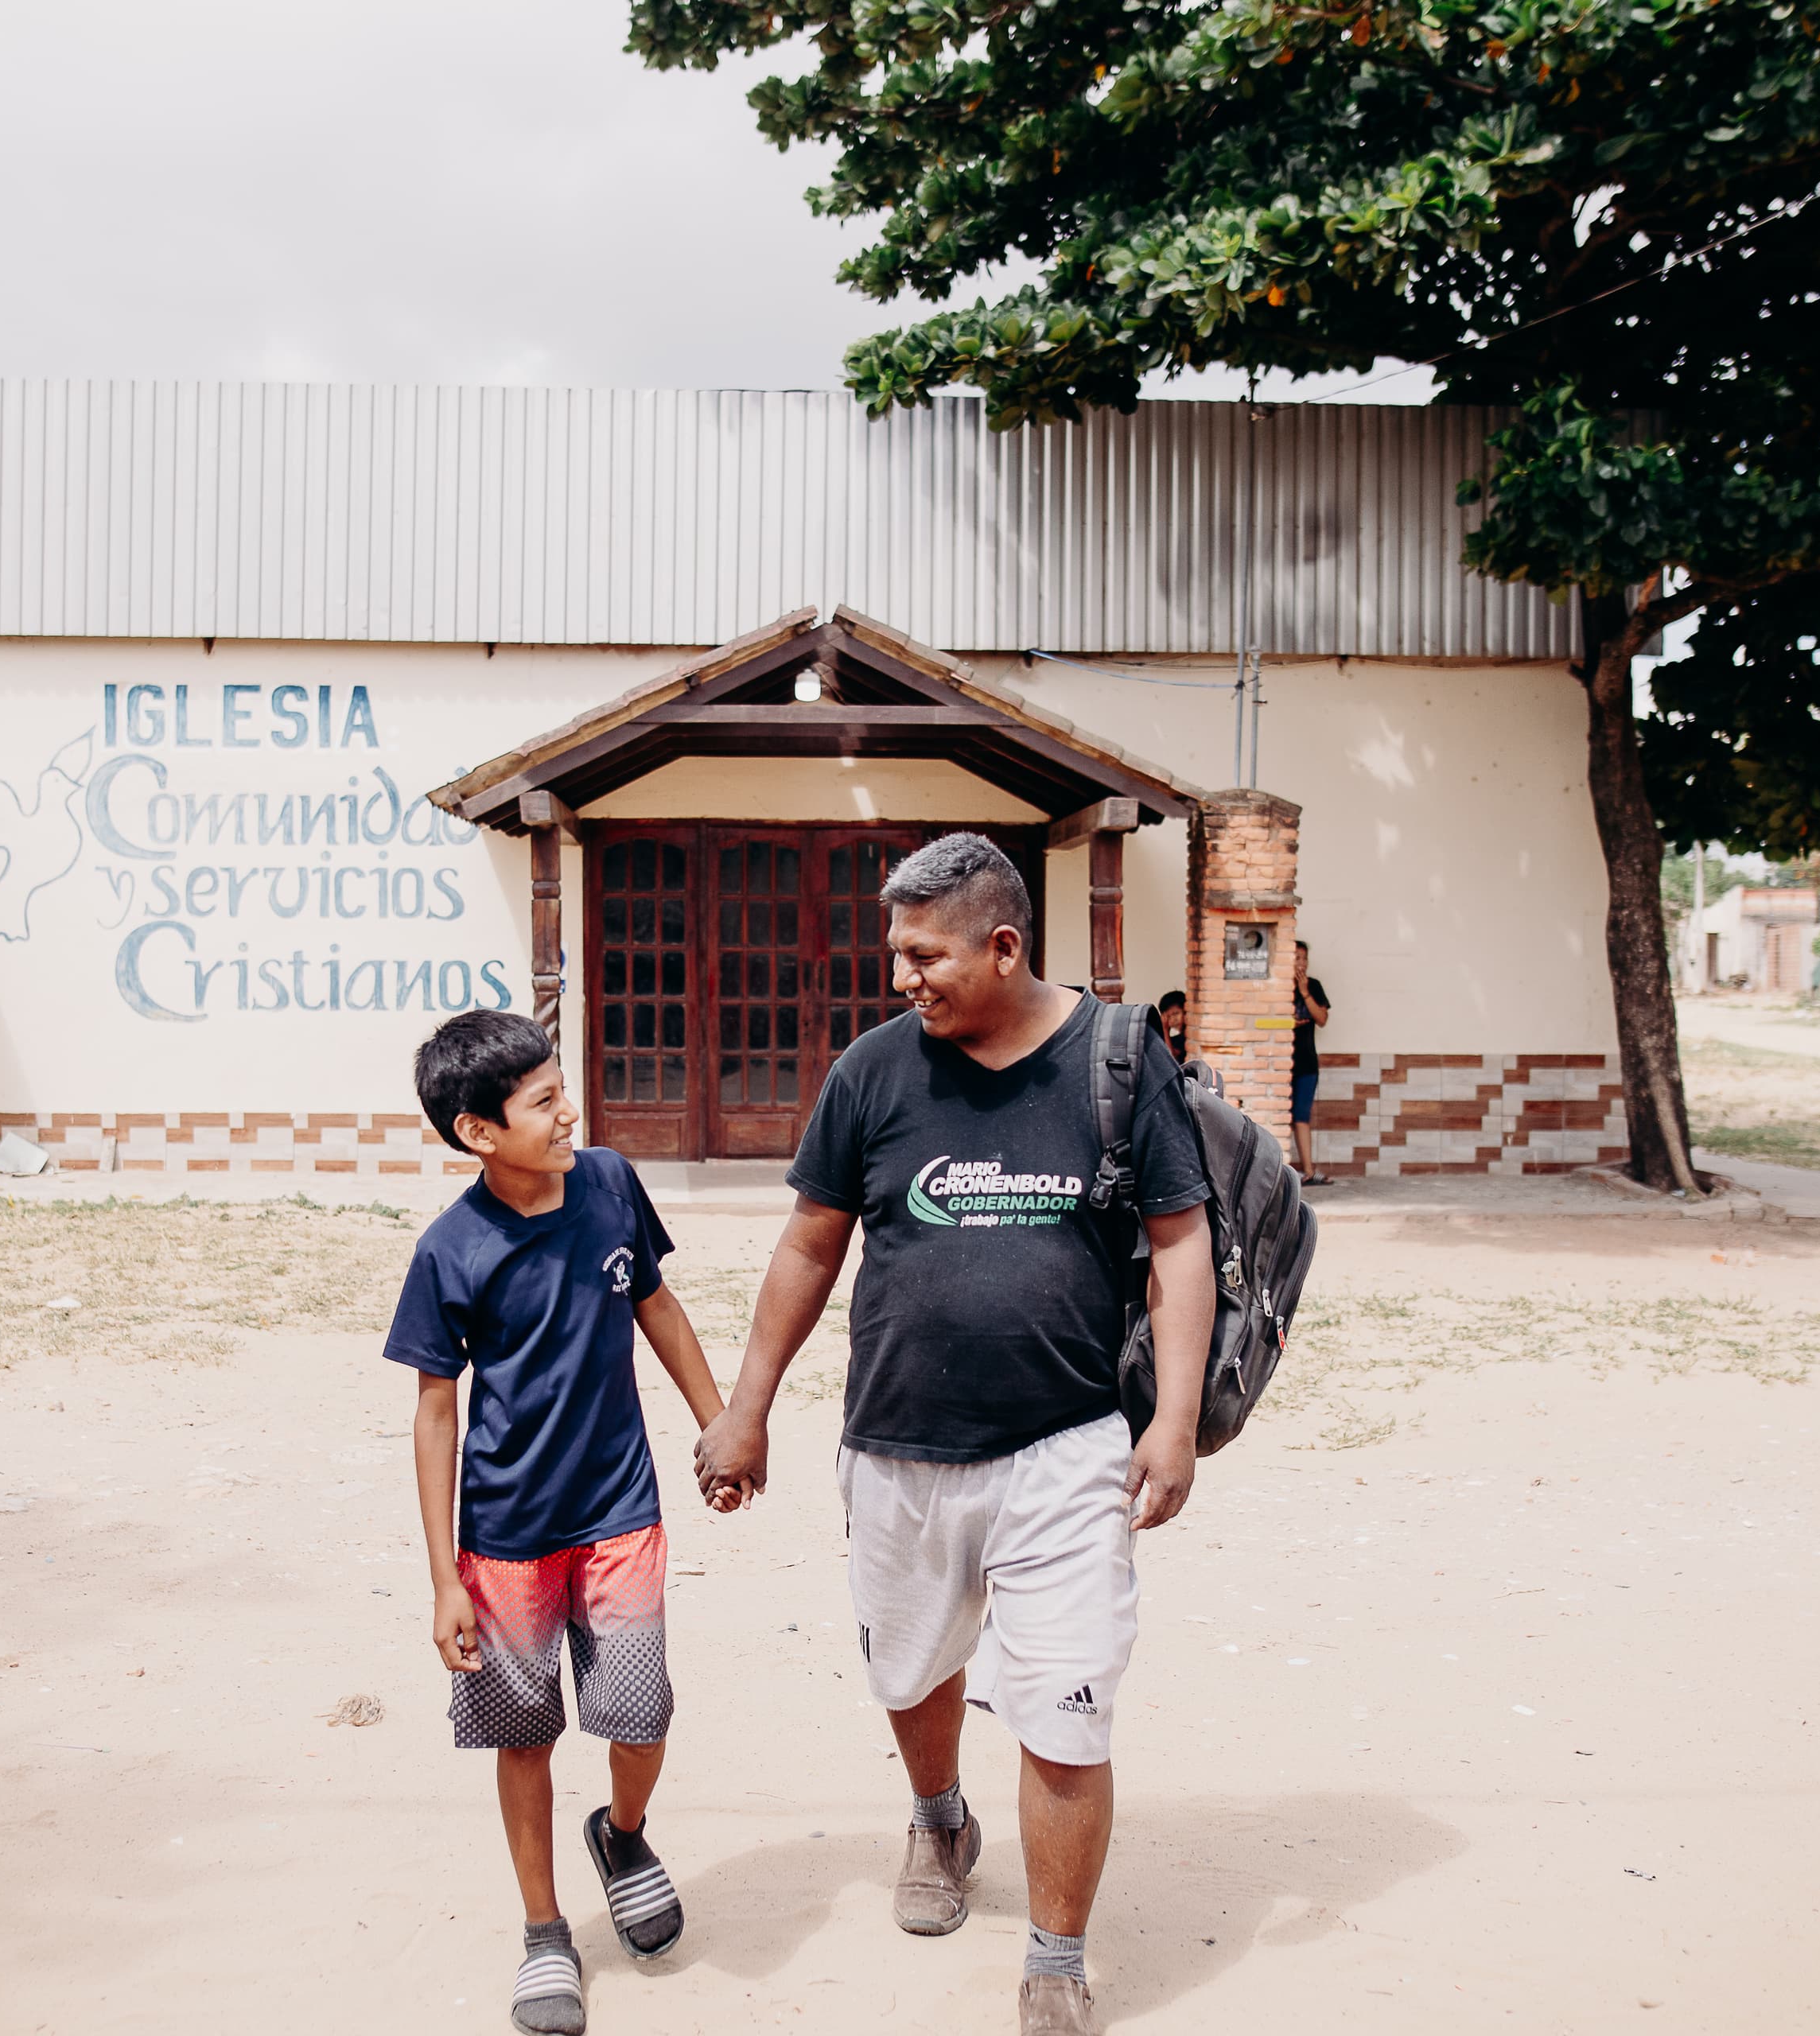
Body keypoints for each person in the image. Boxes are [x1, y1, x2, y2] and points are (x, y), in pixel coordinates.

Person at [693, 833, 1215, 2036]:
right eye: (896, 954)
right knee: (914, 1668)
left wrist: (1174, 1418)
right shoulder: (873, 1072)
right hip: (897, 1443)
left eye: (926, 956)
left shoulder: (1121, 1062)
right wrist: (747, 1404)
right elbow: (812, 1244)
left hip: (1069, 1443)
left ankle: (1055, 1959)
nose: (903, 978)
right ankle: (939, 1817)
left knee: (1068, 1712)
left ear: (1005, 945)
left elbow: (1182, 1237)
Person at [388, 1009, 733, 2036]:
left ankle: (623, 1834)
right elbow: (435, 1411)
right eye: (542, 1101)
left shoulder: (611, 1185)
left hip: (620, 1508)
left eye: (559, 1086)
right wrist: (444, 1575)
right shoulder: (451, 1252)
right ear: (477, 1132)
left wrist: (719, 1425)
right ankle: (545, 1930)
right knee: (525, 1736)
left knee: (640, 1712)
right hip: (506, 1539)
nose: (567, 1109)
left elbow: (657, 1307)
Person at [1291, 941, 1332, 1183]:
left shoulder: (1313, 986)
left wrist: (1305, 992)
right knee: (1281, 1117)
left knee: (1301, 1116)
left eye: (1304, 958)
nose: (1302, 963)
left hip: (1306, 1064)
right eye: (1297, 957)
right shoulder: (1277, 987)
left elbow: (1322, 1019)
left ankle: (1309, 1171)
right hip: (1280, 1066)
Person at [1153, 989, 1223, 1096]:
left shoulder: (1188, 1038)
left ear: (1186, 1011)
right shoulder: (1175, 1039)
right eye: (1168, 1017)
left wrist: (1165, 1030)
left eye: (1176, 1013)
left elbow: (1172, 1060)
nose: (1173, 1019)